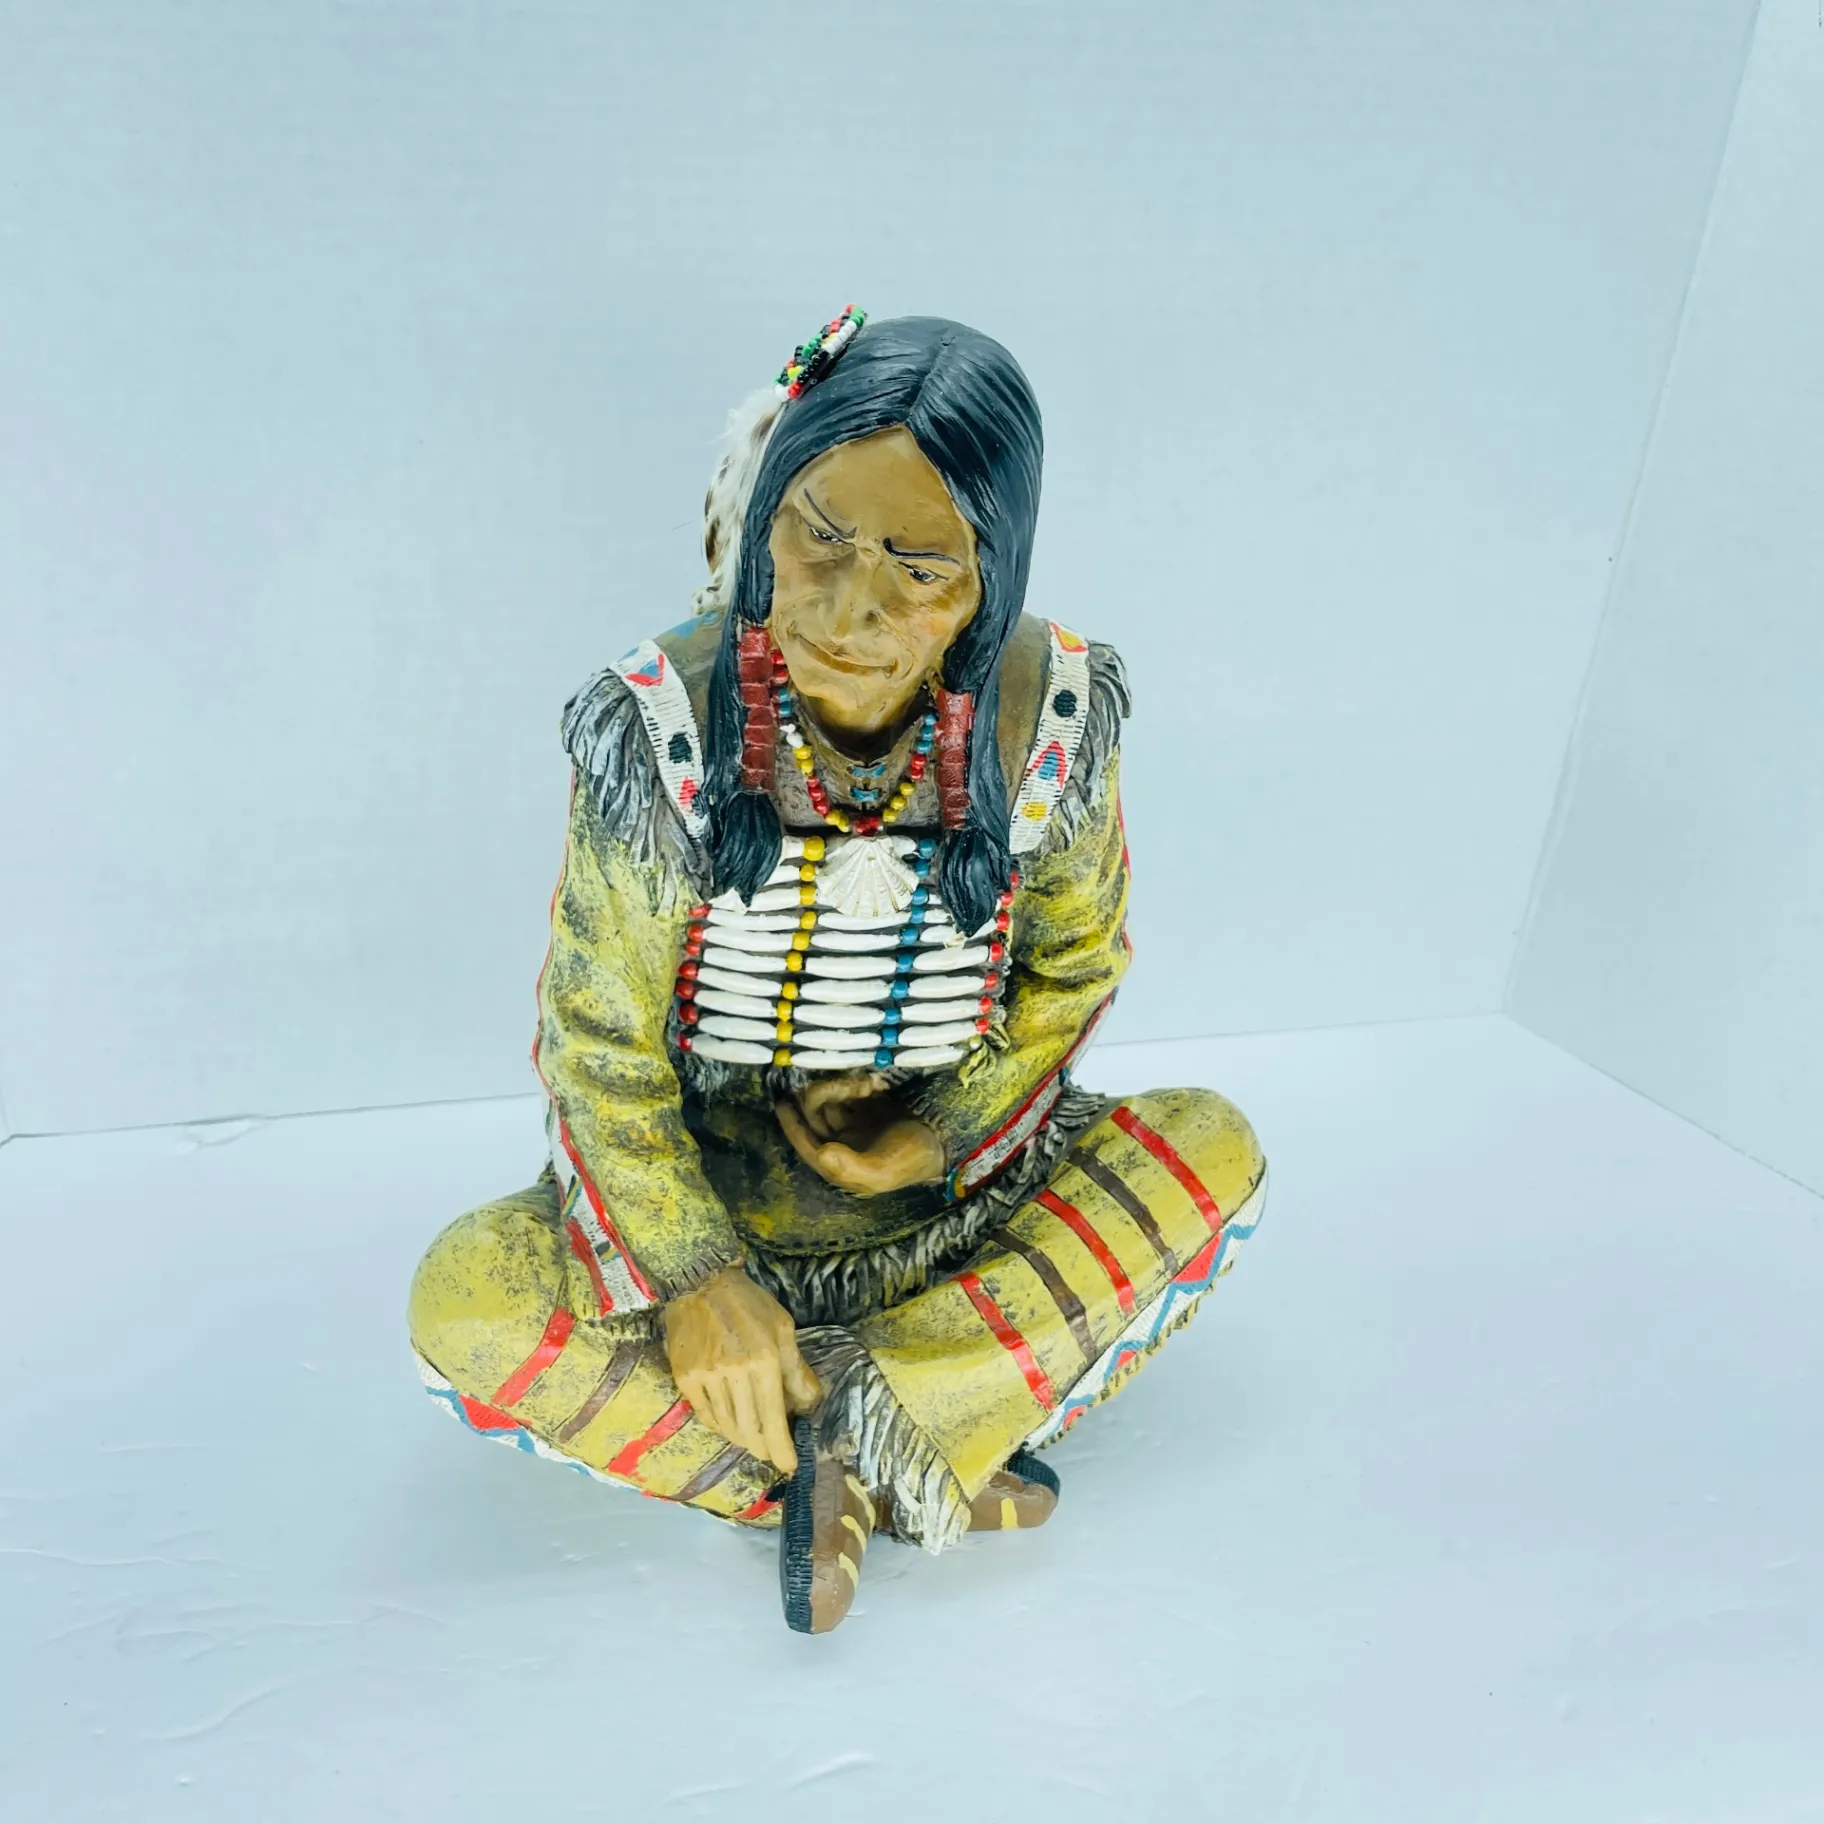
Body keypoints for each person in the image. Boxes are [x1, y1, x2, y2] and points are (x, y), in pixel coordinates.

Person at [407, 310, 1267, 1633]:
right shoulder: (663, 728)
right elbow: (601, 1040)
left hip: (955, 1210)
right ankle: (918, 1436)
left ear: (988, 581)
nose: (849, 607)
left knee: (1210, 1149)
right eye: (818, 534)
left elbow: (1073, 964)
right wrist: (696, 1281)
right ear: (765, 518)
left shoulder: (1052, 717)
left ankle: (850, 1430)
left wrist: (939, 1135)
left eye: (919, 567)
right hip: (720, 1210)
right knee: (469, 1298)